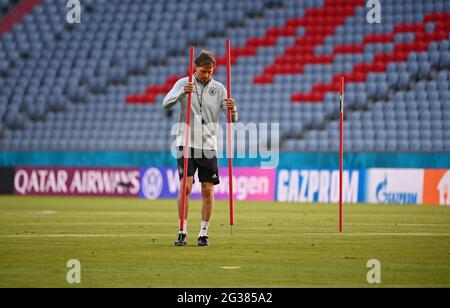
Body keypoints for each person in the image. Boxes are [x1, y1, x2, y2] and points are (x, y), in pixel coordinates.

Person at [162, 50, 238, 247]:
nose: (207, 75)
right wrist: (182, 93)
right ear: (196, 68)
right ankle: (182, 231)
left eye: (210, 72)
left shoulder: (219, 88)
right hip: (185, 142)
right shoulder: (183, 83)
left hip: (208, 145)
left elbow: (232, 120)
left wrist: (232, 108)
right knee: (185, 187)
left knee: (207, 190)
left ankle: (203, 233)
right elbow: (165, 104)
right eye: (204, 71)